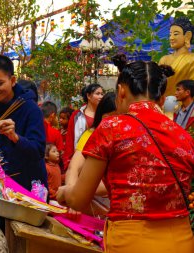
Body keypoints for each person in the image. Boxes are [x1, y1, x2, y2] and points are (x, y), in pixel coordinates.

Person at [57, 61, 194, 253]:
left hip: (132, 242)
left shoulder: (112, 127)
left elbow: (79, 199)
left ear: (121, 91)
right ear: (162, 99)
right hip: (181, 240)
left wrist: (64, 193)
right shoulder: (183, 136)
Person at [0, 54, 48, 191]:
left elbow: (38, 151)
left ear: (12, 80)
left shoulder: (30, 108)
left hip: (27, 184)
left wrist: (15, 137)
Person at [63, 83, 103, 168]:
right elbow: (70, 138)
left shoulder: (103, 114)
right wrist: (68, 162)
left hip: (98, 158)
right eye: (97, 94)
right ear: (88, 96)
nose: (101, 97)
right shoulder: (76, 115)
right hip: (79, 157)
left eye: (101, 94)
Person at [159, 16, 194, 96]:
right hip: (162, 103)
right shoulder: (164, 59)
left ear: (187, 36)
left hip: (184, 105)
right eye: (170, 34)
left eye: (175, 34)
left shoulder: (192, 59)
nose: (171, 38)